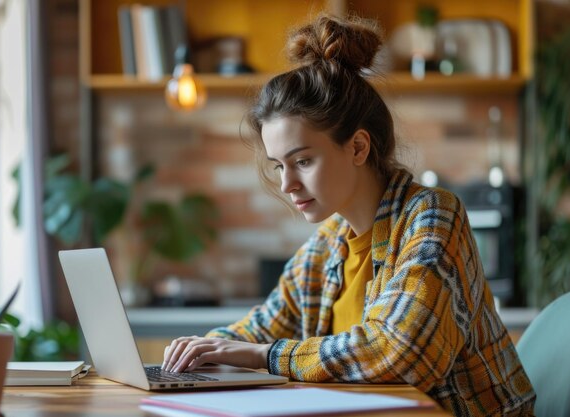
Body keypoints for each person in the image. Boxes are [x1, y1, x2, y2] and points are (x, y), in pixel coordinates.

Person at [162, 14, 535, 416]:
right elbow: (258, 330)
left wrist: (263, 356)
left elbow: (401, 353)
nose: (287, 184)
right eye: (278, 166)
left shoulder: (431, 216)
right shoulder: (329, 244)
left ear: (358, 148)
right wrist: (198, 352)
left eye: (302, 161)